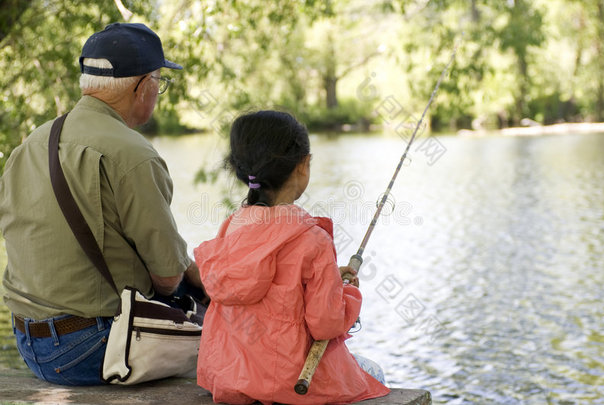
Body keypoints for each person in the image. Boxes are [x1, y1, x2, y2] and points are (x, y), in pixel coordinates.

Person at [0, 23, 205, 386]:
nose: (158, 91)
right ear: (142, 86)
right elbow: (168, 278)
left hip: (29, 345)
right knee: (225, 322)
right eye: (159, 81)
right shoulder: (133, 154)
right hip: (92, 348)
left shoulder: (31, 143)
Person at [193, 110, 391, 404]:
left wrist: (329, 279)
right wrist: (346, 295)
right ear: (304, 165)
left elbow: (265, 282)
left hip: (227, 378)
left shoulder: (231, 227)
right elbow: (326, 324)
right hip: (291, 383)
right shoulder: (312, 238)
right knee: (374, 371)